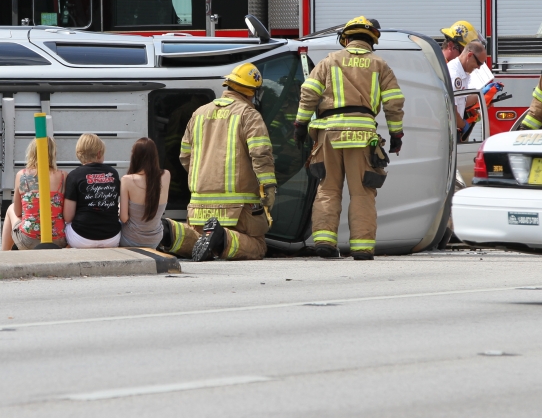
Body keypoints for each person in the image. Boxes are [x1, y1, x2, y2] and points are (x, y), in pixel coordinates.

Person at [293, 16, 404, 260]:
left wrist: (300, 125)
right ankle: (362, 247)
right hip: (363, 136)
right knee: (362, 192)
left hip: (329, 134)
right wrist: (396, 133)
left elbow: (308, 93)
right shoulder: (380, 64)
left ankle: (324, 241)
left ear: (345, 39)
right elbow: (393, 102)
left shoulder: (329, 61)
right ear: (372, 41)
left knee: (327, 189)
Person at [159, 63, 277, 262]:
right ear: (252, 92)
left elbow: (185, 156)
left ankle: (170, 231)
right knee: (257, 245)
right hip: (238, 209)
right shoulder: (248, 115)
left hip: (199, 206)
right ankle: (222, 237)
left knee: (199, 238)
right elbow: (261, 153)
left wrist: (204, 177)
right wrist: (268, 187)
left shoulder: (199, 114)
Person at [2, 138, 67, 250]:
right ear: (53, 153)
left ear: (31, 152)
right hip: (58, 240)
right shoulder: (63, 176)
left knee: (11, 208)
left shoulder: (21, 175)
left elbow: (18, 211)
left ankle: (4, 252)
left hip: (28, 239)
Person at [63, 133, 121, 248]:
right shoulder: (113, 173)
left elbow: (68, 217)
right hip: (111, 238)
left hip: (81, 239)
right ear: (99, 153)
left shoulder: (74, 175)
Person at [120, 137, 171, 248]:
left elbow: (124, 218)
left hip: (130, 239)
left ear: (135, 156)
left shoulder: (127, 180)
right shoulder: (166, 175)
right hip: (154, 240)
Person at [447, 39, 488, 133]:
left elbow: (462, 101)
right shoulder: (455, 75)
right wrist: (463, 125)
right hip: (451, 130)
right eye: (479, 63)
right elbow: (452, 110)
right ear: (469, 55)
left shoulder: (463, 72)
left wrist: (481, 93)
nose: (479, 67)